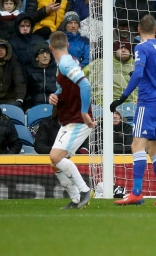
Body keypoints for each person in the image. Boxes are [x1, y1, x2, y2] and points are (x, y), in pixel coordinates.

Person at [110, 14, 156, 206]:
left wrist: (121, 98)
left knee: (137, 145)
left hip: (147, 102)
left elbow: (138, 73)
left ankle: (137, 192)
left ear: (138, 31)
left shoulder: (141, 47)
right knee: (154, 148)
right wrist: (153, 74)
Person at [47, 30, 95, 209]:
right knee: (55, 163)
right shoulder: (67, 62)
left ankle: (84, 190)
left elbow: (85, 85)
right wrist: (55, 95)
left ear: (50, 47)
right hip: (69, 118)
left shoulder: (66, 63)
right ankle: (76, 200)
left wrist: (84, 113)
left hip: (78, 118)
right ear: (67, 45)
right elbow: (66, 88)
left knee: (55, 157)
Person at [0, 38, 26, 108]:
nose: (0, 50)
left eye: (3, 48)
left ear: (7, 50)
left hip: (10, 99)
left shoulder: (13, 61)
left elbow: (19, 80)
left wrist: (19, 99)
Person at [23, 42, 57, 109]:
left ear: (50, 57)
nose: (45, 55)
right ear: (36, 58)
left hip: (54, 105)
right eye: (41, 53)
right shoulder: (27, 70)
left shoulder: (57, 69)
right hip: (33, 106)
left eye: (47, 53)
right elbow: (25, 92)